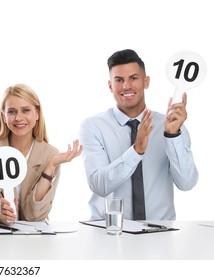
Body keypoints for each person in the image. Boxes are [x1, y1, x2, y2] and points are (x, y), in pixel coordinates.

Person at [79, 49, 198, 220]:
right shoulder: (93, 127)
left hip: (159, 234)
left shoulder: (171, 125)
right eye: (119, 80)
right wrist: (136, 151)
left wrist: (172, 136)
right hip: (110, 234)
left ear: (146, 81)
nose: (126, 86)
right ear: (110, 86)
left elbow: (186, 183)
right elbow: (100, 186)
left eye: (133, 78)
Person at [0, 84, 82, 224]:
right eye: (12, 111)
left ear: (37, 113)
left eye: (25, 110)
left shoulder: (50, 155)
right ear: (3, 115)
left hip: (35, 239)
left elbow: (34, 215)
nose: (19, 117)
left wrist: (50, 167)